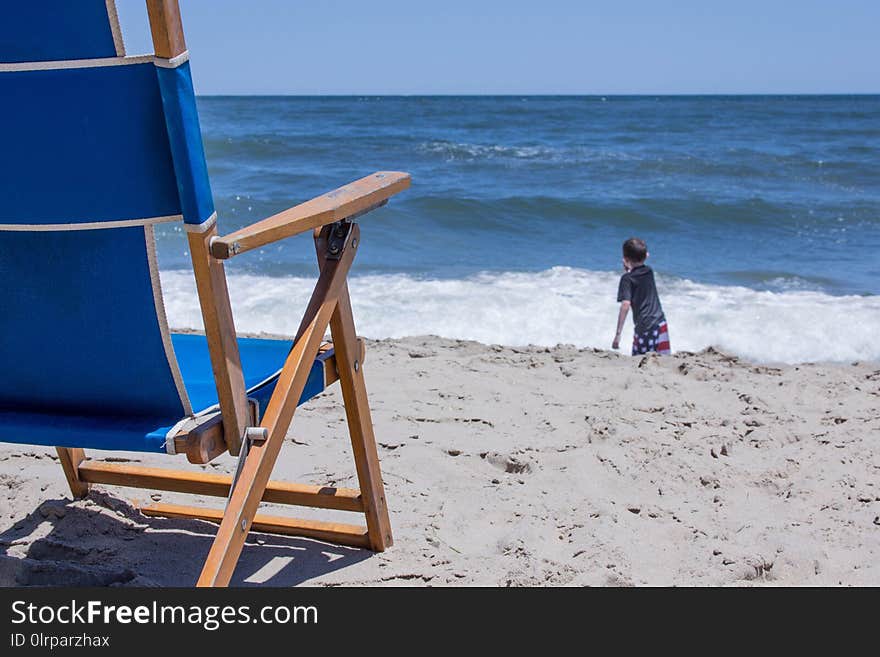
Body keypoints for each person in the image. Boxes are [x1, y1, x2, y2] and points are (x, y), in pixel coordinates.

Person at [612, 237, 671, 355]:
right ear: (646, 256)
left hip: (645, 327)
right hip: (660, 322)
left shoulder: (626, 279)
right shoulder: (649, 271)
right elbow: (638, 275)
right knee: (662, 358)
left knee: (641, 359)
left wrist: (618, 334)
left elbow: (625, 304)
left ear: (625, 258)